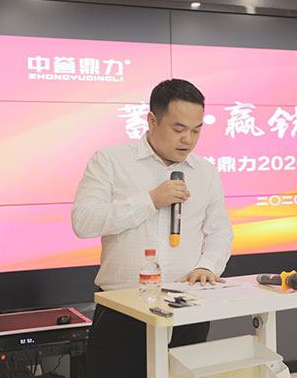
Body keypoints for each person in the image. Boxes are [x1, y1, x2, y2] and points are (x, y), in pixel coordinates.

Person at [71, 79, 234, 378]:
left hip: (189, 308)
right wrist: (149, 201)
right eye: (178, 129)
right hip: (123, 309)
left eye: (196, 130)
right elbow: (83, 221)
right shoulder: (110, 161)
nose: (188, 139)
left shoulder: (206, 172)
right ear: (152, 120)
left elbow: (220, 232)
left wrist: (207, 266)